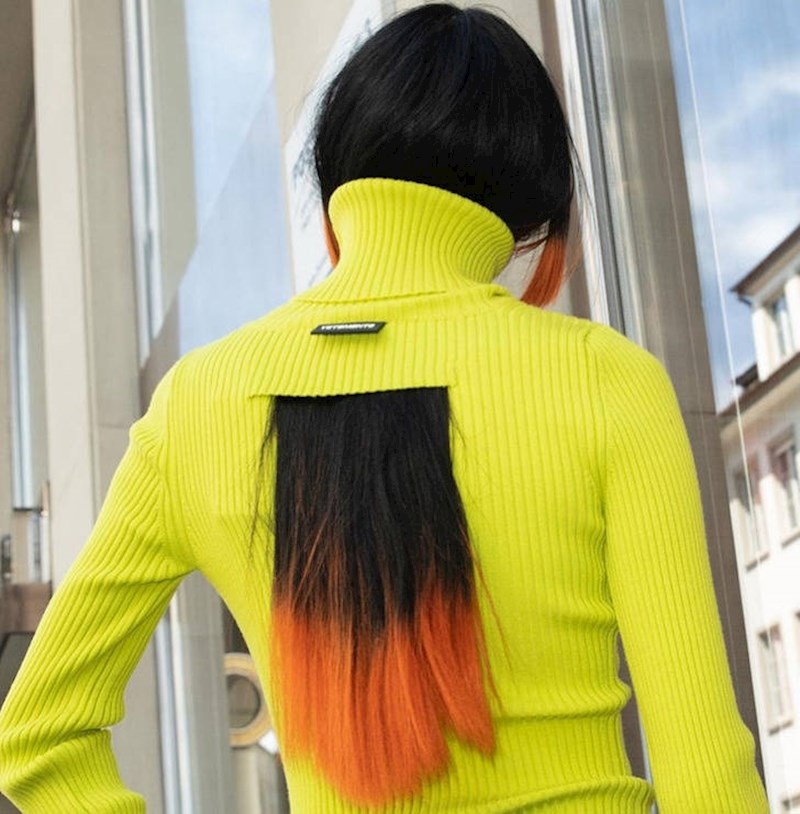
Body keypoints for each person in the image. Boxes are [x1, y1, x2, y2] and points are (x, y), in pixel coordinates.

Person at [0, 3, 770, 812]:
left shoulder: (196, 402)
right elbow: (705, 773)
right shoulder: (605, 379)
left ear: (336, 179)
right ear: (532, 217)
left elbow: (37, 737)